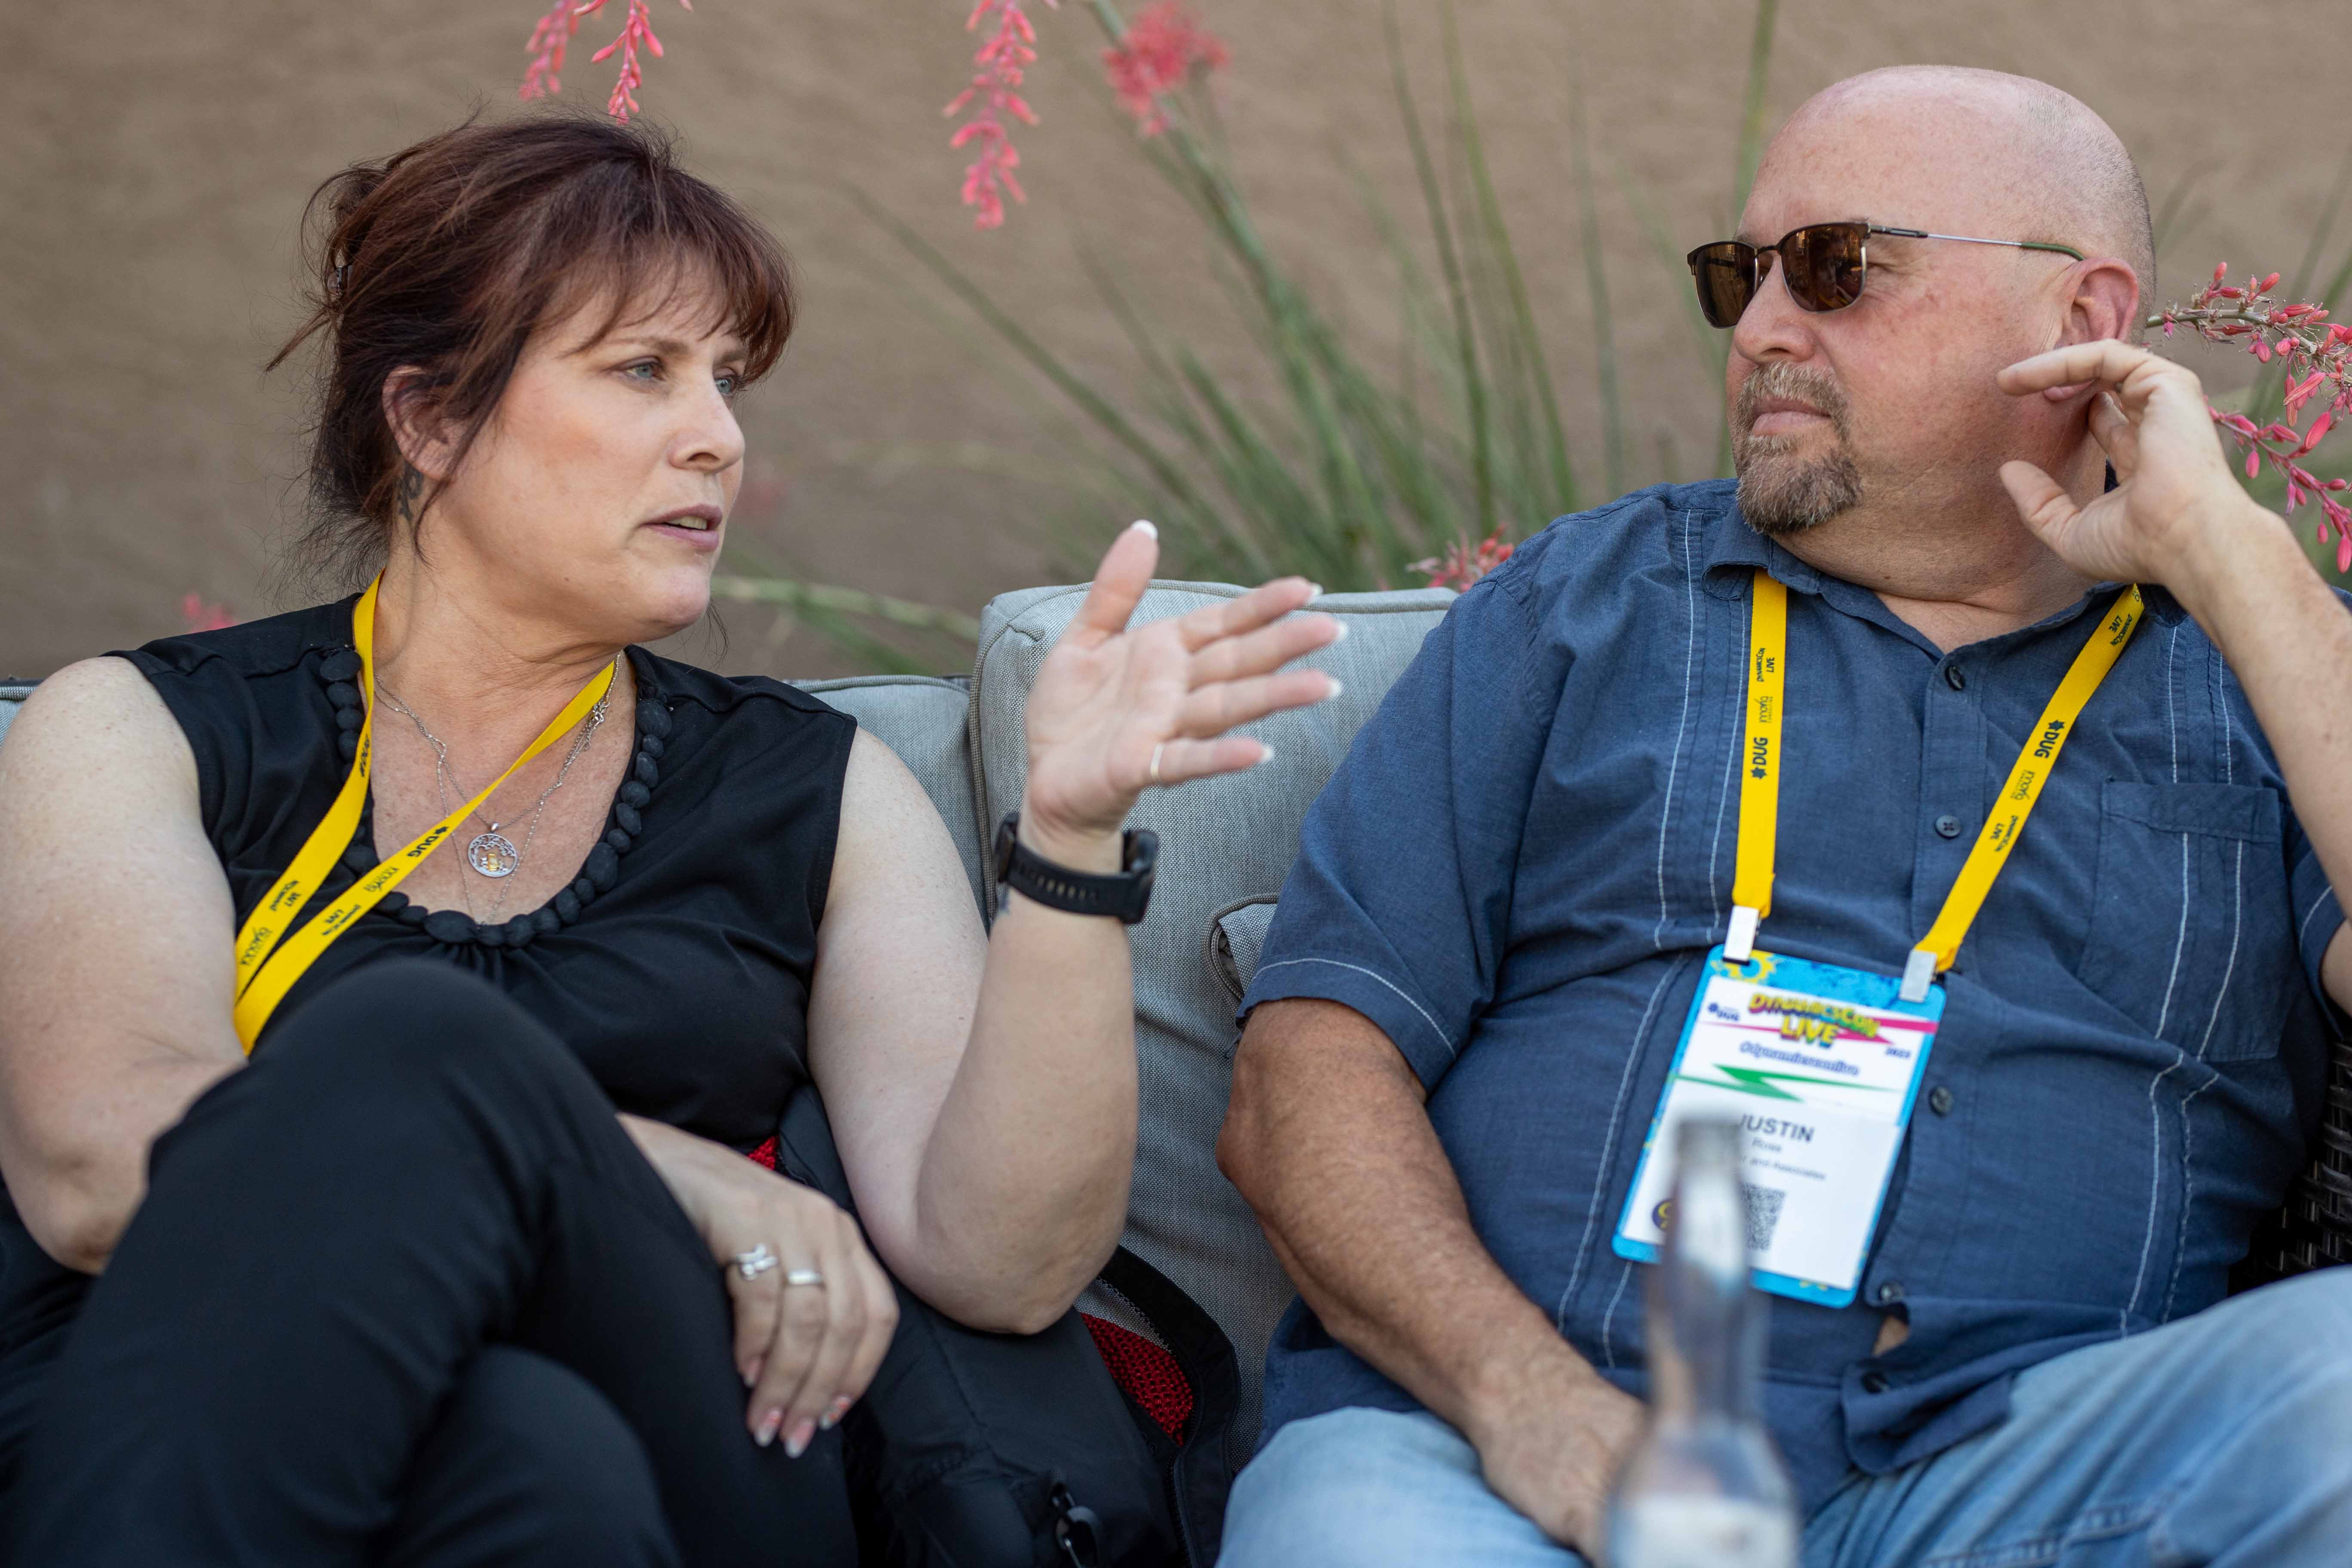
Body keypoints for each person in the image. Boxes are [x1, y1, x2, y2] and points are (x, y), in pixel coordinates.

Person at [0, 113, 1340, 1565]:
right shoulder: (139, 729)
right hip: (214, 1398)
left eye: (728, 379)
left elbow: (1001, 1264)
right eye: (644, 369)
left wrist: (1072, 842)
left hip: (698, 1435)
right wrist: (678, 1173)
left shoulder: (809, 789)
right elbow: (97, 1169)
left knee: (436, 1105)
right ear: (430, 422)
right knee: (528, 1448)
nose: (719, 435)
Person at [1215, 65, 2352, 1568]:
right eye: (1736, 276)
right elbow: (1307, 1065)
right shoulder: (1584, 608)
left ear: (2080, 318)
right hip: (1517, 1469)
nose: (1759, 328)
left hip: (2028, 1485)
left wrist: (2231, 556)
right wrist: (1527, 1405)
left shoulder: (2267, 681)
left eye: (1834, 267)